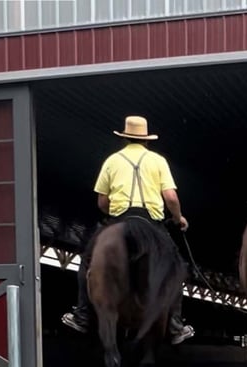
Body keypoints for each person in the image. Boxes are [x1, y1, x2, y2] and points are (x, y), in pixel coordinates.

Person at [61, 115, 195, 345]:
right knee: (176, 266)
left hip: (119, 220)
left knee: (87, 261)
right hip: (151, 223)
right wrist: (178, 217)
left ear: (124, 138)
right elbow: (171, 196)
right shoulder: (158, 161)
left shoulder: (112, 161)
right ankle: (175, 325)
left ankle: (82, 315)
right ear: (146, 140)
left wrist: (114, 208)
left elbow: (102, 202)